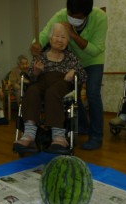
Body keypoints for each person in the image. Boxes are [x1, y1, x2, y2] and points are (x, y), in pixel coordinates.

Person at [31, 0, 108, 150]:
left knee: (93, 93)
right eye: (70, 14)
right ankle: (83, 126)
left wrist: (72, 34)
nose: (71, 17)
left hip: (93, 61)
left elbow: (96, 49)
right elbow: (45, 34)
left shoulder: (100, 17)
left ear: (87, 14)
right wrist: (36, 44)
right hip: (73, 61)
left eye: (76, 16)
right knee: (74, 95)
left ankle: (96, 136)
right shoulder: (61, 15)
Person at [14, 23, 86, 152]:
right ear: (50, 38)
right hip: (42, 82)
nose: (59, 40)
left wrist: (73, 73)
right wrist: (36, 72)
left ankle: (59, 138)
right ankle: (29, 135)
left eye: (63, 37)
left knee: (52, 92)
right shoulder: (41, 56)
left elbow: (83, 75)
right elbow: (30, 75)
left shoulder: (71, 57)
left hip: (62, 84)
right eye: (56, 36)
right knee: (32, 90)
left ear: (68, 41)